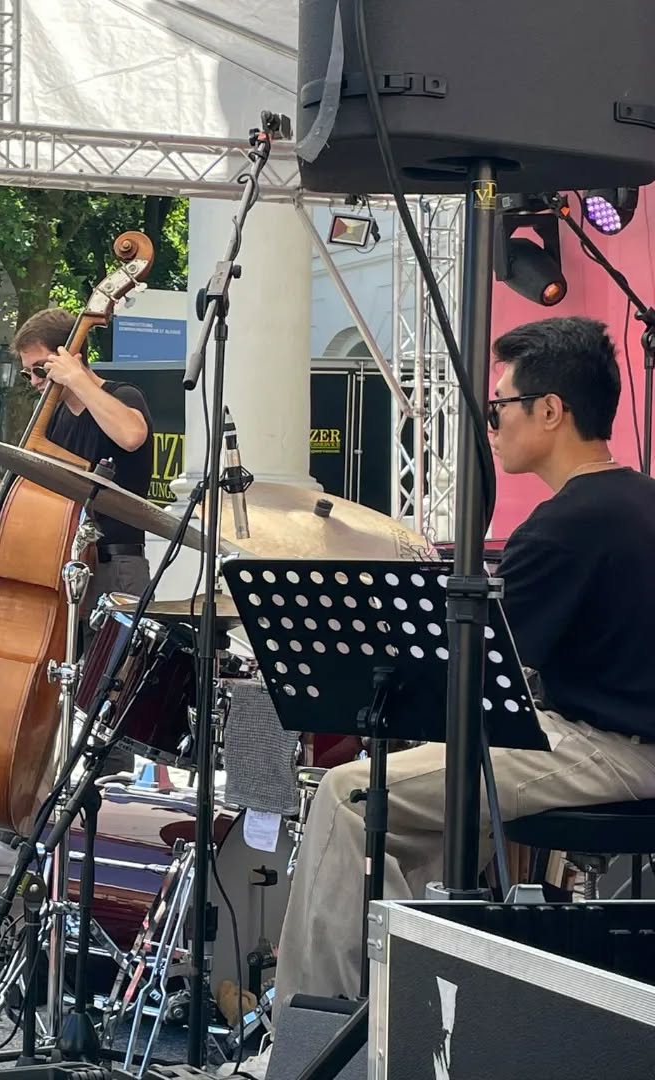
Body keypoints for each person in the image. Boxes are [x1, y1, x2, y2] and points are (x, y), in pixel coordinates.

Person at [267, 317, 655, 1061]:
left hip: (610, 753)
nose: (491, 422)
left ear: (551, 410)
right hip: (618, 740)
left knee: (351, 798)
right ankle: (410, 1019)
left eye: (498, 406)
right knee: (424, 815)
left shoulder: (570, 524)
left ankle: (315, 1046)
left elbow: (472, 672)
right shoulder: (636, 502)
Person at [0, 307, 155, 875]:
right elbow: (40, 508)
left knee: (107, 711)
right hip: (61, 571)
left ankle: (103, 844)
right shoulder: (54, 423)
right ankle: (15, 828)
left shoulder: (121, 396)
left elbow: (131, 434)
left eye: (41, 370)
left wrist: (78, 379)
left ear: (68, 357)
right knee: (41, 699)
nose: (36, 384)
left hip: (112, 567)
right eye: (33, 375)